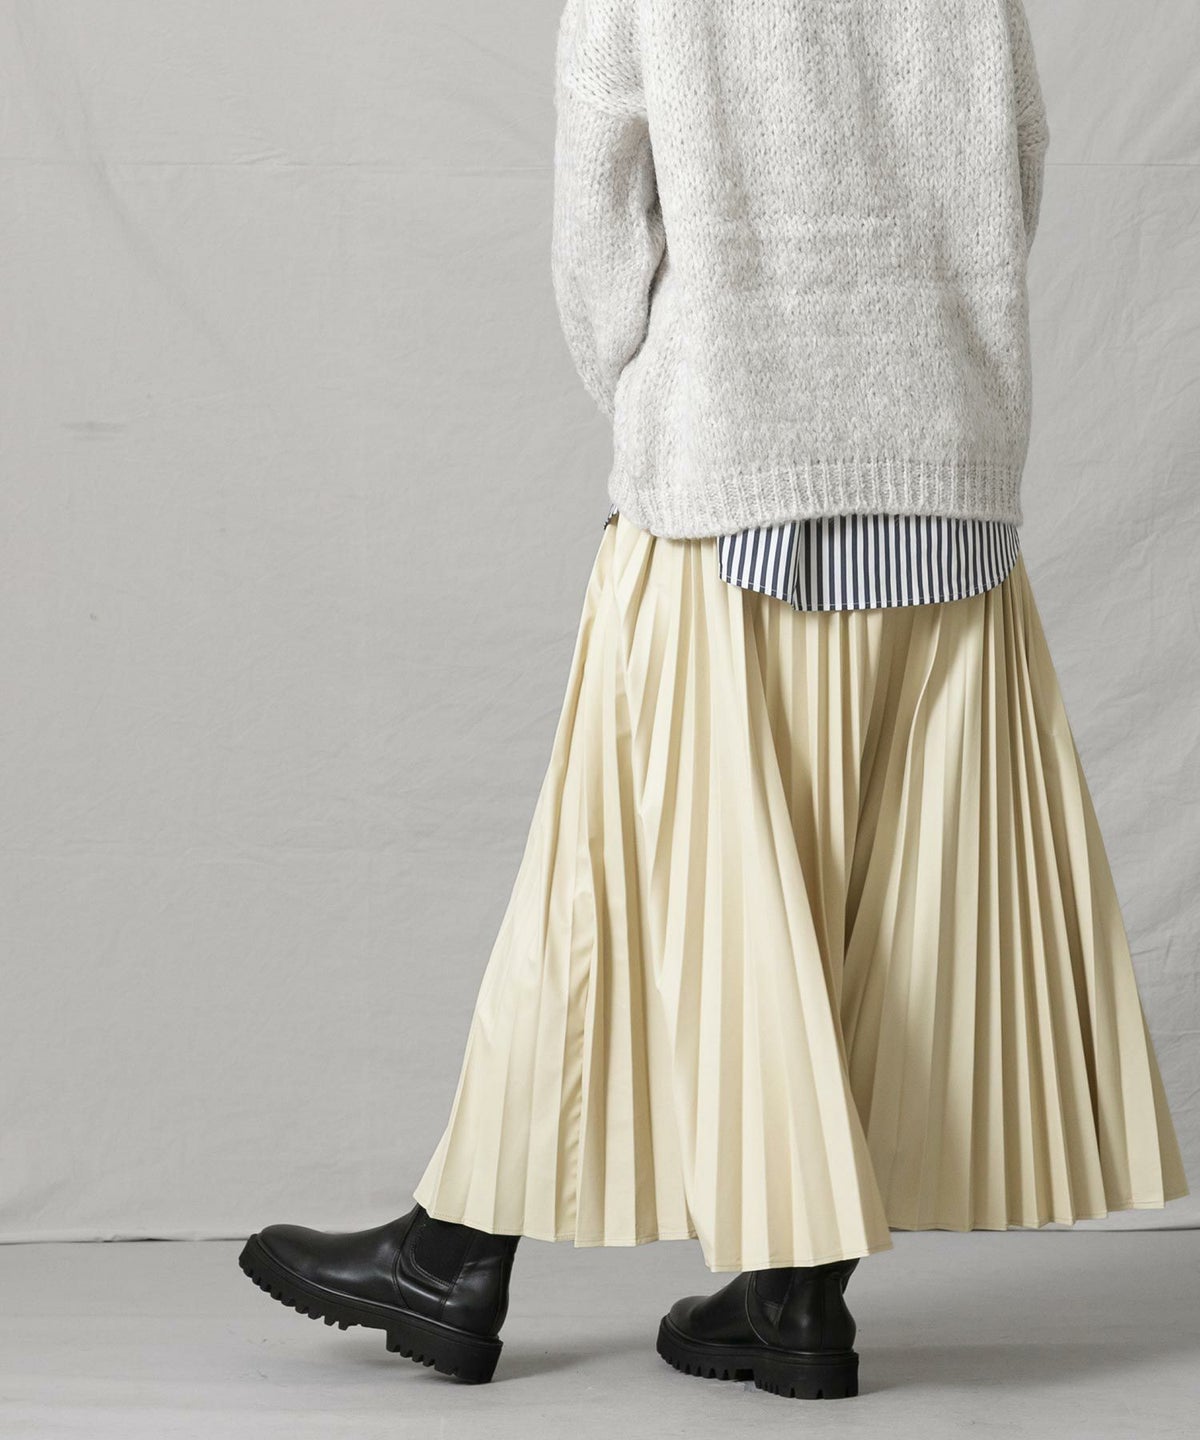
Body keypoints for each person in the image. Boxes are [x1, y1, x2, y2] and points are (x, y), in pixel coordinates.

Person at [238, 0, 1189, 1400]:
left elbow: (600, 214)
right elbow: (1019, 154)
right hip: (944, 453)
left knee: (608, 864)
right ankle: (795, 1297)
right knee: (881, 896)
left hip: (734, 452)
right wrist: (929, 336)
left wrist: (653, 381)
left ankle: (458, 1258)